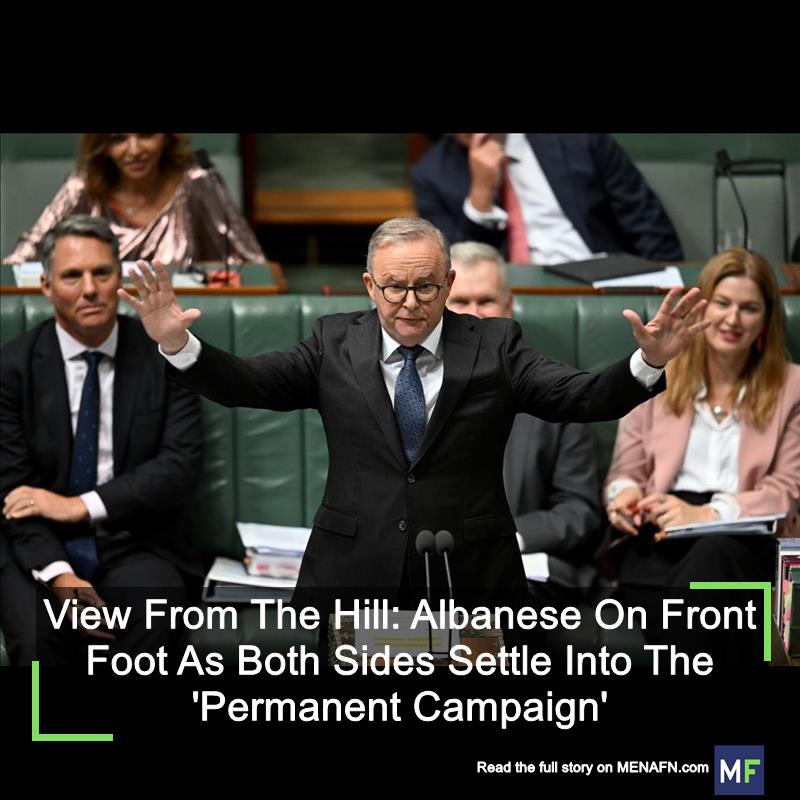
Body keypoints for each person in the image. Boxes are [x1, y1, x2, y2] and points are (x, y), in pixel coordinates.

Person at [120, 216, 706, 604]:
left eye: (425, 286)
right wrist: (179, 344)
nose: (409, 303)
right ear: (368, 286)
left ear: (448, 284)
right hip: (352, 569)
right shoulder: (332, 343)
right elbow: (246, 383)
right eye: (394, 288)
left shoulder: (495, 345)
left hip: (471, 573)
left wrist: (647, 361)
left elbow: (582, 395)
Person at [0, 215, 204, 666]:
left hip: (135, 539)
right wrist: (60, 576)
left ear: (120, 279)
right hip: (40, 545)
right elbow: (12, 492)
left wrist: (79, 506)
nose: (90, 289)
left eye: (102, 273)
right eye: (72, 276)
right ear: (46, 286)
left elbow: (179, 466)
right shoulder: (12, 369)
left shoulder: (164, 357)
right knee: (36, 641)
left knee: (155, 617)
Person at [605, 247, 800, 587]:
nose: (733, 319)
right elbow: (626, 472)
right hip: (660, 529)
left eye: (749, 308)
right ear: (701, 308)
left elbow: (787, 488)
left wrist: (708, 514)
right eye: (722, 303)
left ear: (766, 320)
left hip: (743, 533)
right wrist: (624, 496)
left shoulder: (793, 386)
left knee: (714, 555)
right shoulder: (657, 376)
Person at [446, 242, 602, 592]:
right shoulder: (408, 390)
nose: (474, 315)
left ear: (508, 305)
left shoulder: (558, 392)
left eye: (486, 301)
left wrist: (503, 539)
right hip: (432, 561)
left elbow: (579, 510)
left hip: (523, 568)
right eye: (460, 302)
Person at [411, 133, 683, 264]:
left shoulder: (581, 139)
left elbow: (647, 223)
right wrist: (481, 196)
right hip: (505, 298)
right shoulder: (430, 174)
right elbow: (455, 267)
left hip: (601, 278)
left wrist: (665, 291)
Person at [3, 133, 265, 268]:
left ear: (166, 137)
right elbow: (26, 255)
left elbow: (253, 264)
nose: (135, 150)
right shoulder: (83, 187)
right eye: (119, 138)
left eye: (146, 135)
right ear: (102, 145)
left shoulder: (196, 180)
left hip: (182, 323)